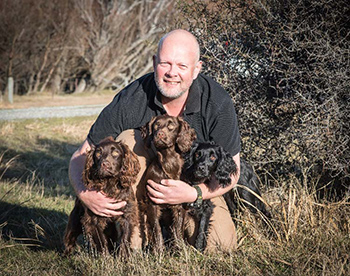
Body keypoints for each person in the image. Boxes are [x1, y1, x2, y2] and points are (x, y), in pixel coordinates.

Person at [69, 29, 241, 251]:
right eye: (165, 64)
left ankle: (177, 232)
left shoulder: (216, 102)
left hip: (194, 185)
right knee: (127, 140)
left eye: (182, 66)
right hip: (142, 189)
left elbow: (233, 169)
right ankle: (132, 225)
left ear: (197, 69)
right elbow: (81, 155)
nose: (172, 73)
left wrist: (195, 193)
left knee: (220, 245)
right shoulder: (132, 98)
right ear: (154, 63)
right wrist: (87, 195)